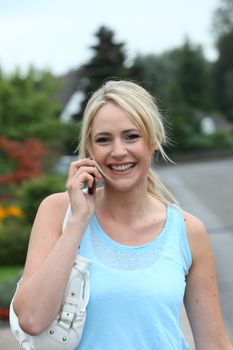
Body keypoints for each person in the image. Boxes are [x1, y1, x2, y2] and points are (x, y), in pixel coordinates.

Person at [12, 80, 232, 349]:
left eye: (131, 136)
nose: (118, 151)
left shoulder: (187, 231)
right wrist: (79, 221)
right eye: (104, 139)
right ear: (90, 150)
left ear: (153, 140)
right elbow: (32, 319)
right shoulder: (58, 212)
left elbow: (214, 343)